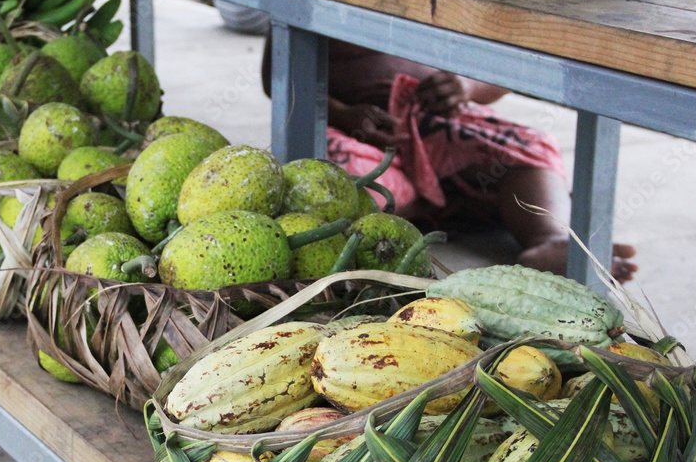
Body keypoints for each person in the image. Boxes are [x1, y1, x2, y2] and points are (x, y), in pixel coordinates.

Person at [263, 36, 638, 283]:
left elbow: (506, 59)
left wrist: (466, 85)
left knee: (524, 145)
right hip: (357, 128)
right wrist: (343, 113)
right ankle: (420, 213)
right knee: (342, 177)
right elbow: (275, 71)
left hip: (438, 120)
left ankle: (548, 238)